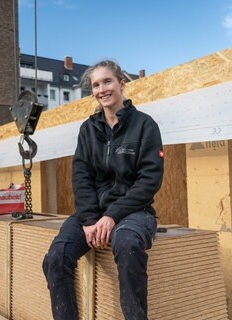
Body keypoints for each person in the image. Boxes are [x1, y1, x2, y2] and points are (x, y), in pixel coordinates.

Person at [42, 60, 164, 320]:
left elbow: (149, 180)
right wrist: (89, 220)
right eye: (96, 85)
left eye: (107, 81)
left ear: (121, 84)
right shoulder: (88, 130)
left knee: (127, 243)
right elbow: (81, 176)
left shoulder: (145, 126)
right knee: (56, 257)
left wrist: (112, 216)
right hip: (94, 211)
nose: (101, 89)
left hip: (135, 212)